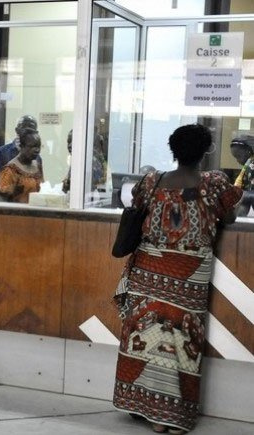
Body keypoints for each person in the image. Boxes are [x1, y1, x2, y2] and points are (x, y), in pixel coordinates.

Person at [112, 124, 242, 434]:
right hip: (190, 273)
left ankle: (145, 408)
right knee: (183, 341)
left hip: (147, 269)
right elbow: (231, 216)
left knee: (143, 338)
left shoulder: (151, 182)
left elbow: (135, 206)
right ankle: (171, 417)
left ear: (173, 150)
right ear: (206, 151)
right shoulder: (214, 184)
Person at [0, 128, 43, 203]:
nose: (37, 150)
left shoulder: (38, 166)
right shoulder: (10, 170)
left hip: (36, 212)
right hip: (17, 213)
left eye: (38, 146)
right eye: (32, 146)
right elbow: (3, 200)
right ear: (21, 146)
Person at [0, 115, 40, 184]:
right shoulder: (2, 152)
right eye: (24, 130)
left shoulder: (37, 157)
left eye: (31, 131)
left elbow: (38, 184)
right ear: (17, 130)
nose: (27, 134)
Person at [62, 129, 107, 193]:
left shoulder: (89, 161)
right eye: (68, 142)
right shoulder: (78, 159)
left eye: (72, 141)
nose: (69, 146)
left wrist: (67, 184)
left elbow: (88, 187)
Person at [230, 135, 254, 216]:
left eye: (238, 156)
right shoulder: (249, 164)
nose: (237, 161)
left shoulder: (251, 165)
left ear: (248, 151)